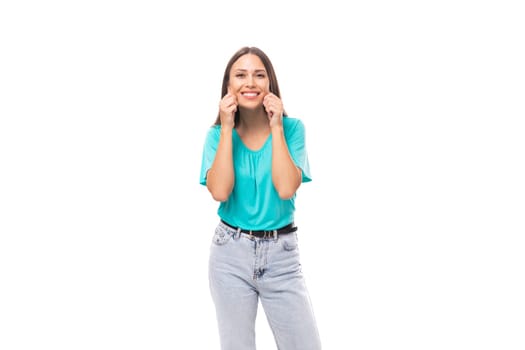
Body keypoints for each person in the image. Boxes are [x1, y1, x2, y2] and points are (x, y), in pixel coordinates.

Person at [199, 46, 322, 350]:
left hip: (281, 256)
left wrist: (276, 125)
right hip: (230, 254)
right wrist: (227, 128)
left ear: (271, 85)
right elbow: (220, 191)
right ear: (228, 87)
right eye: (240, 75)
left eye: (259, 75)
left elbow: (285, 188)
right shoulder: (216, 136)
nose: (250, 82)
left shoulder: (293, 129)